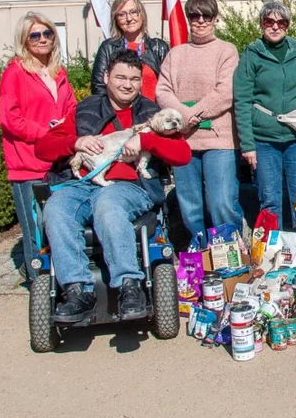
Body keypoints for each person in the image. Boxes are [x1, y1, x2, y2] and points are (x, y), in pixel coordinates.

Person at [36, 50, 191, 322]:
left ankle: (129, 286)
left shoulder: (152, 113)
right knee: (56, 208)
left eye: (134, 79)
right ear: (106, 77)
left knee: (108, 205)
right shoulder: (83, 109)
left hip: (129, 186)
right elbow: (43, 147)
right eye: (120, 77)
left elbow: (182, 154)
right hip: (83, 183)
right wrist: (74, 143)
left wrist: (146, 141)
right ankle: (76, 289)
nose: (127, 84)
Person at [156, 0, 242, 246]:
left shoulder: (227, 51)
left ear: (215, 19)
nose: (201, 20)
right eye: (195, 15)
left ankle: (231, 255)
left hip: (220, 141)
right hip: (183, 142)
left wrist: (194, 114)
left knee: (222, 203)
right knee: (190, 206)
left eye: (207, 15)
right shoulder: (175, 54)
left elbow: (226, 92)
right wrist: (185, 116)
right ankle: (200, 255)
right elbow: (162, 91)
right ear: (188, 18)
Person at [0, 14, 78, 282]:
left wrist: (66, 132)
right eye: (35, 35)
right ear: (25, 40)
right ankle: (40, 285)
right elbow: (10, 119)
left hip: (58, 162)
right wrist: (47, 133)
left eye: (47, 33)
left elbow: (71, 109)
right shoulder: (15, 73)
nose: (42, 39)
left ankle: (63, 281)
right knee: (36, 230)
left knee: (58, 224)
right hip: (28, 165)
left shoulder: (59, 72)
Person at [233, 1, 296, 230]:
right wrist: (248, 145)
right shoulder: (251, 56)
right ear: (262, 24)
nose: (275, 27)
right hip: (264, 140)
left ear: (288, 25)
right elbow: (242, 101)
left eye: (281, 22)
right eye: (269, 22)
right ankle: (272, 252)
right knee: (270, 200)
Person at [91, 0, 169, 100]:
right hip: (120, 114)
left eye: (133, 12)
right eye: (122, 14)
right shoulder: (108, 47)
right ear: (116, 20)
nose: (129, 18)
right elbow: (98, 87)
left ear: (142, 15)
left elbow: (170, 85)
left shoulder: (158, 47)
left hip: (155, 113)